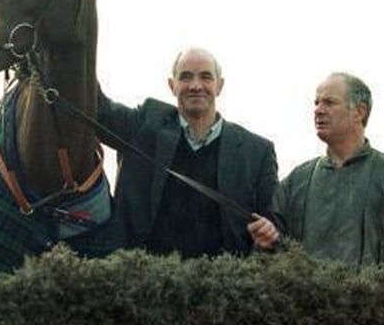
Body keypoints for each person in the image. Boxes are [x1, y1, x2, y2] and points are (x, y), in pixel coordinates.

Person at [248, 72, 384, 272]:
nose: (318, 110)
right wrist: (267, 241)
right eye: (316, 103)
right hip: (306, 302)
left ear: (359, 111)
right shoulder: (296, 182)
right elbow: (269, 257)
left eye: (329, 103)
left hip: (375, 302)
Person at [97, 46, 279, 257]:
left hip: (225, 284)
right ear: (172, 85)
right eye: (185, 77)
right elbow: (97, 109)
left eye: (206, 77)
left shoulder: (256, 152)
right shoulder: (145, 124)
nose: (195, 85)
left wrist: (269, 231)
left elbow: (273, 224)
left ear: (219, 86)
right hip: (147, 282)